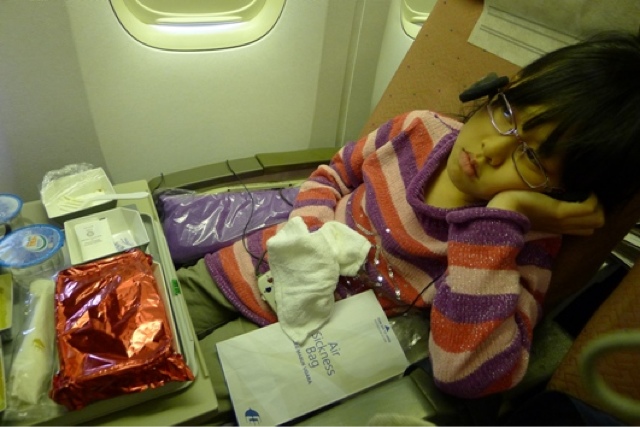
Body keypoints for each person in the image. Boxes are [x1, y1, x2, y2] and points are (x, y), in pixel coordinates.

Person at [176, 31, 640, 419]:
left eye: (533, 158)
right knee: (152, 313)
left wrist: (499, 217)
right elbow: (333, 174)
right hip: (244, 267)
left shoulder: (522, 244)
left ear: (564, 193)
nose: (492, 150)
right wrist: (310, 238)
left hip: (292, 345)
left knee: (170, 397)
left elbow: (469, 372)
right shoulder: (417, 130)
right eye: (507, 113)